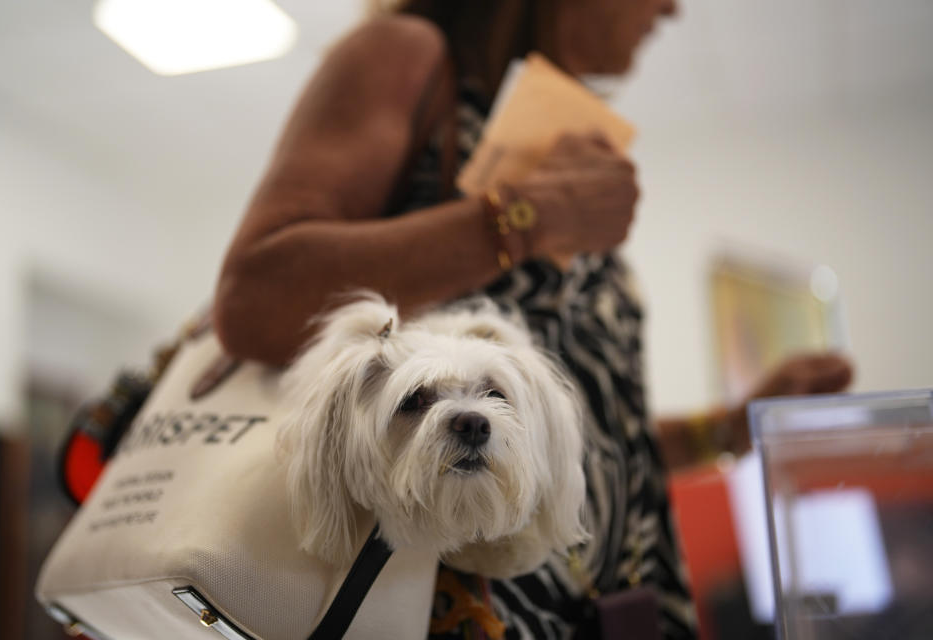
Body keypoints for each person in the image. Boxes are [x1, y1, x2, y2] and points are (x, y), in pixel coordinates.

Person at [212, 1, 851, 638]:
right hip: (465, 607)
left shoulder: (542, 123)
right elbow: (251, 297)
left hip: (607, 599)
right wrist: (527, 219)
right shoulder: (404, 56)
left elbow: (589, 441)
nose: (673, 8)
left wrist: (728, 430)